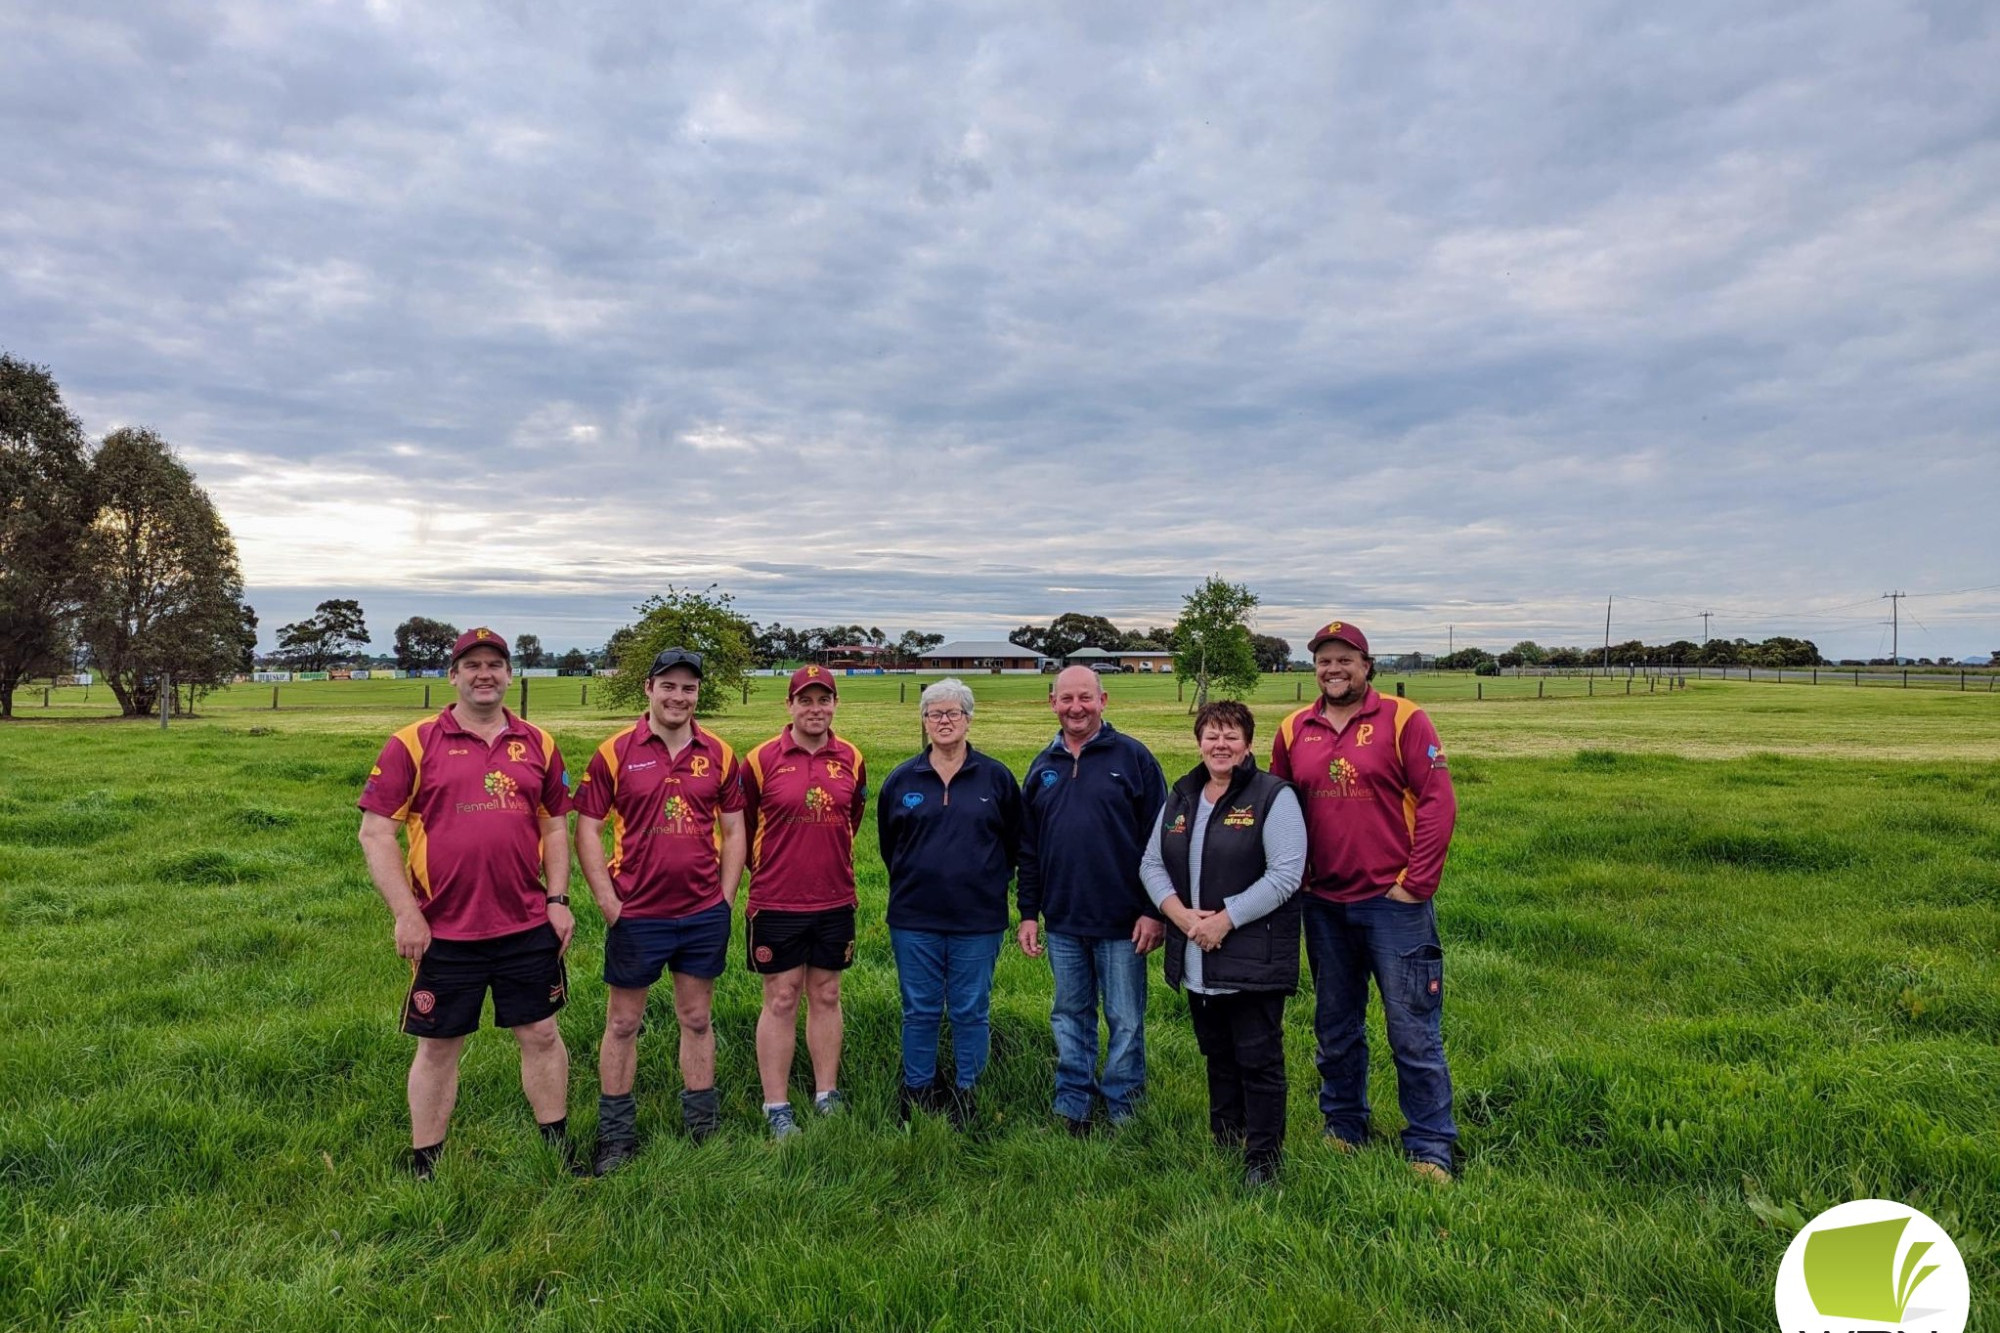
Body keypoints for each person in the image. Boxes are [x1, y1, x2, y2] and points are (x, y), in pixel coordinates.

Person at [356, 627, 576, 1179]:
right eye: (472, 664)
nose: (485, 674)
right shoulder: (413, 742)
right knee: (439, 1045)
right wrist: (406, 912)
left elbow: (554, 828)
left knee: (542, 1033)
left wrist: (558, 899)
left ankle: (556, 1147)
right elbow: (375, 833)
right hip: (444, 929)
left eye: (495, 664)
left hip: (525, 922)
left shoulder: (540, 743)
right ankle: (426, 1160)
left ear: (509, 674)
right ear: (452, 675)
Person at [1270, 620, 1460, 1184]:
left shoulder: (1404, 719)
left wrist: (1415, 883)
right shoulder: (1291, 729)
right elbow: (1279, 810)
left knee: (1412, 1028)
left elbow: (1437, 803)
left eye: (1345, 660)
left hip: (1392, 904)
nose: (1334, 670)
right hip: (1323, 903)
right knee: (1335, 1025)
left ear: (1367, 665)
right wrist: (1292, 878)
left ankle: (1430, 1146)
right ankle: (1344, 1126)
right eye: (1324, 661)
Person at [572, 648, 746, 1173]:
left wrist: (725, 896)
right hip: (637, 913)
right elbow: (587, 827)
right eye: (668, 686)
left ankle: (702, 1128)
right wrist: (607, 901)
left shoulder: (718, 752)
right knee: (623, 1023)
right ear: (648, 688)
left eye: (688, 688)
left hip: (700, 913)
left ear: (698, 695)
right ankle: (617, 1137)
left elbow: (736, 828)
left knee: (696, 1018)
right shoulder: (614, 752)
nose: (678, 697)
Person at [1140, 700, 1306, 1186]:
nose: (1221, 744)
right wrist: (1179, 915)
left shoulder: (1273, 796)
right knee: (1217, 1052)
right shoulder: (1183, 794)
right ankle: (1226, 1137)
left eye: (1231, 736)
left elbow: (1286, 875)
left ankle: (1263, 1158)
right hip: (1196, 952)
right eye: (1211, 735)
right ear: (1198, 742)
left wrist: (1226, 920)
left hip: (1251, 954)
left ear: (1248, 744)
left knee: (1259, 1057)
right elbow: (1151, 862)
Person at [1017, 665, 1167, 1134]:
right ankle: (1073, 1104)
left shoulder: (1134, 758)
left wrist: (1151, 910)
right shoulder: (1043, 767)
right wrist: (1028, 913)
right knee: (1069, 1014)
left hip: (1124, 921)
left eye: (1085, 697)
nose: (1075, 707)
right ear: (1052, 703)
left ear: (1104, 700)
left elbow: (1158, 843)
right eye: (1066, 699)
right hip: (1062, 920)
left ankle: (1123, 1106)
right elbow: (1029, 848)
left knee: (1125, 1018)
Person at [877, 678, 1023, 1128]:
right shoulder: (902, 780)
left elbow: (1015, 844)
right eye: (934, 714)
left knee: (970, 1009)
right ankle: (917, 1089)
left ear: (968, 718)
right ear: (923, 721)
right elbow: (889, 845)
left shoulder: (995, 778)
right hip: (914, 917)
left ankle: (967, 1091)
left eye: (952, 713)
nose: (943, 721)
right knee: (918, 1008)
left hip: (977, 919)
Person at [740, 664, 868, 1139]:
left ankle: (825, 1093)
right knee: (781, 996)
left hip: (835, 898)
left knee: (828, 993)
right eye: (805, 700)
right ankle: (776, 1104)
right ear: (789, 705)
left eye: (824, 700)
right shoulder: (759, 759)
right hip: (776, 900)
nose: (815, 709)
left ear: (835, 705)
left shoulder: (851, 757)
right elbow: (743, 826)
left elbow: (851, 816)